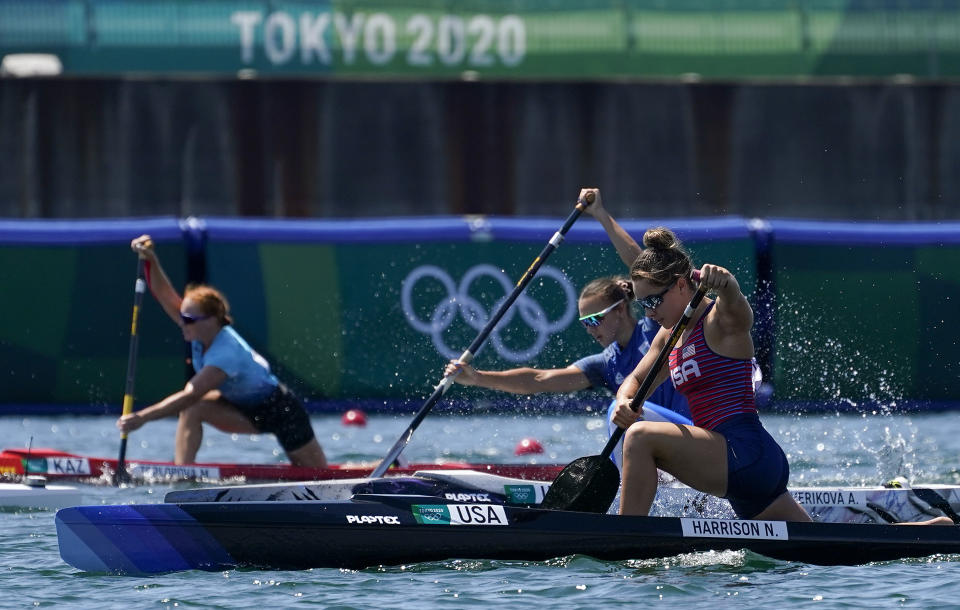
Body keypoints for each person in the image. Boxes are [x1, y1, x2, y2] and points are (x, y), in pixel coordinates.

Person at [611, 226, 953, 526]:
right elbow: (636, 381)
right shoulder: (667, 335)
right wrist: (624, 401)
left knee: (640, 437)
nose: (650, 312)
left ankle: (624, 533)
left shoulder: (720, 321)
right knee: (823, 550)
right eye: (644, 304)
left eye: (655, 300)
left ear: (683, 285)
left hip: (742, 452)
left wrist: (727, 285)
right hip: (741, 463)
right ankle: (928, 531)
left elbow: (738, 309)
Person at [445, 191, 691, 467]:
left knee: (615, 412)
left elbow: (646, 271)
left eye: (594, 319)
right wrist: (477, 377)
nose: (589, 329)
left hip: (690, 439)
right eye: (584, 323)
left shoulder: (655, 326)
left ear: (620, 310)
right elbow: (538, 380)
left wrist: (600, 213)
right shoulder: (606, 363)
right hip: (659, 453)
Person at [116, 235, 328, 468]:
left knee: (315, 473)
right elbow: (164, 294)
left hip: (279, 410)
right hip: (239, 406)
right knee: (192, 410)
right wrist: (151, 260)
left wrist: (141, 418)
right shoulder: (197, 330)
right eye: (182, 316)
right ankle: (181, 471)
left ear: (212, 320)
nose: (182, 322)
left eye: (188, 318)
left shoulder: (225, 352)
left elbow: (191, 393)